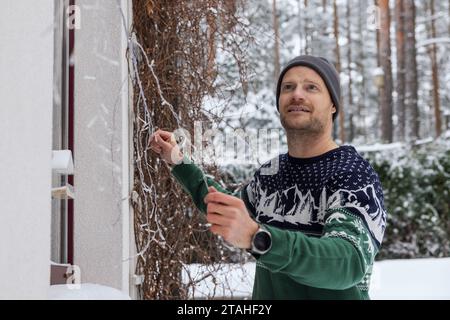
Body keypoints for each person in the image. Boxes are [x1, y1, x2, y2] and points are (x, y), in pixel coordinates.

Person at [149, 55, 387, 300]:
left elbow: (346, 263)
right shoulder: (271, 174)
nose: (297, 94)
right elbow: (226, 209)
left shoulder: (353, 174)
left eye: (311, 87)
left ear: (333, 105)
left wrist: (258, 238)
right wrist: (179, 160)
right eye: (288, 87)